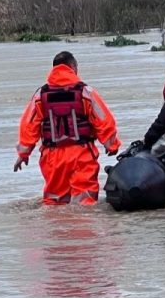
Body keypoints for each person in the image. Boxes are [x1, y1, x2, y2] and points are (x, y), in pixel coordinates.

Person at [14, 51, 121, 205]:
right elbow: (103, 119)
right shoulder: (85, 92)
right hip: (81, 154)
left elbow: (28, 126)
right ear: (73, 67)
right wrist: (111, 145)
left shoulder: (40, 95)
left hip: (52, 158)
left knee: (55, 203)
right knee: (85, 202)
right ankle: (83, 229)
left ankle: (58, 228)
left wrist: (23, 154)